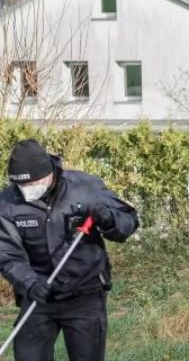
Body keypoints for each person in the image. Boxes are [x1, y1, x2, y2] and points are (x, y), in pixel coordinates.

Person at [0, 139, 139, 361]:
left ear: (48, 173)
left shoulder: (85, 187)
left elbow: (129, 222)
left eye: (32, 184)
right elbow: (7, 255)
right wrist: (30, 283)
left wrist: (110, 220)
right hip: (38, 296)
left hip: (85, 294)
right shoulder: (7, 204)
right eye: (21, 186)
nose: (27, 191)